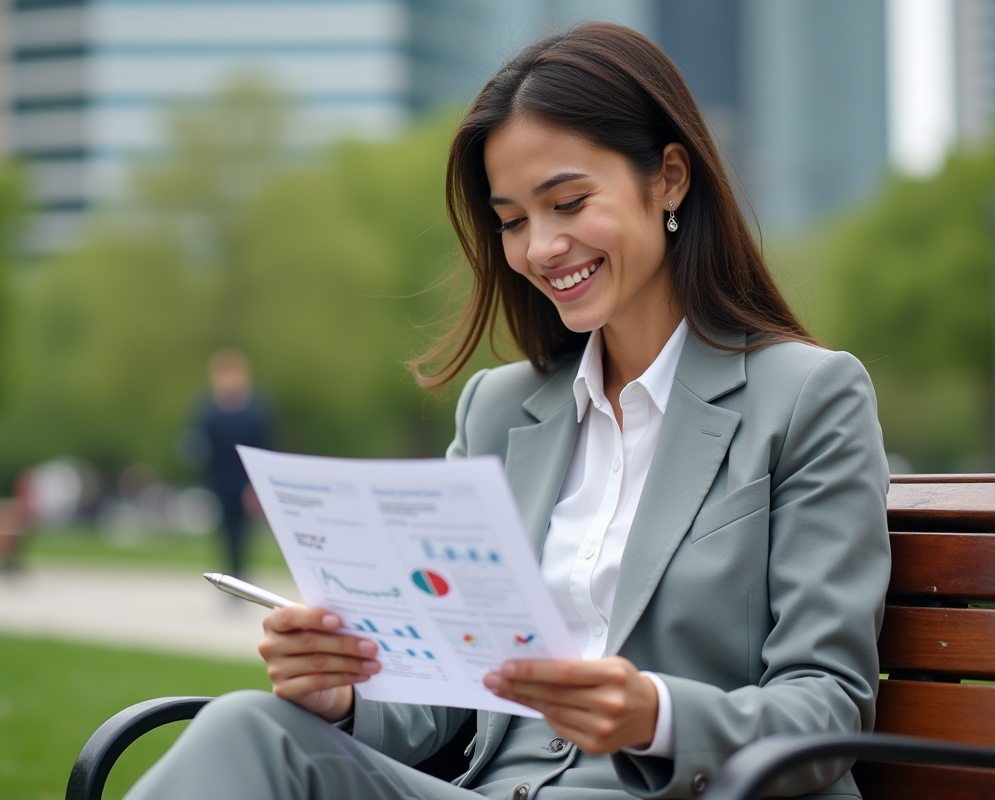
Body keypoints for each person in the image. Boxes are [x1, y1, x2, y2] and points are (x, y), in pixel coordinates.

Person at [126, 23, 890, 800]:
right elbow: (444, 690)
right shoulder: (498, 410)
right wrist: (347, 698)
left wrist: (654, 714)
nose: (541, 248)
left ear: (668, 178)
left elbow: (826, 704)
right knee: (250, 729)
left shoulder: (806, 397)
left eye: (568, 202)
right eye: (514, 220)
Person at [194, 349, 274, 580]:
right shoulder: (209, 411)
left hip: (245, 483)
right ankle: (229, 575)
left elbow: (264, 448)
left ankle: (241, 576)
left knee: (244, 534)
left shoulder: (254, 412)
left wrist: (256, 485)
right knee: (225, 533)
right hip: (220, 482)